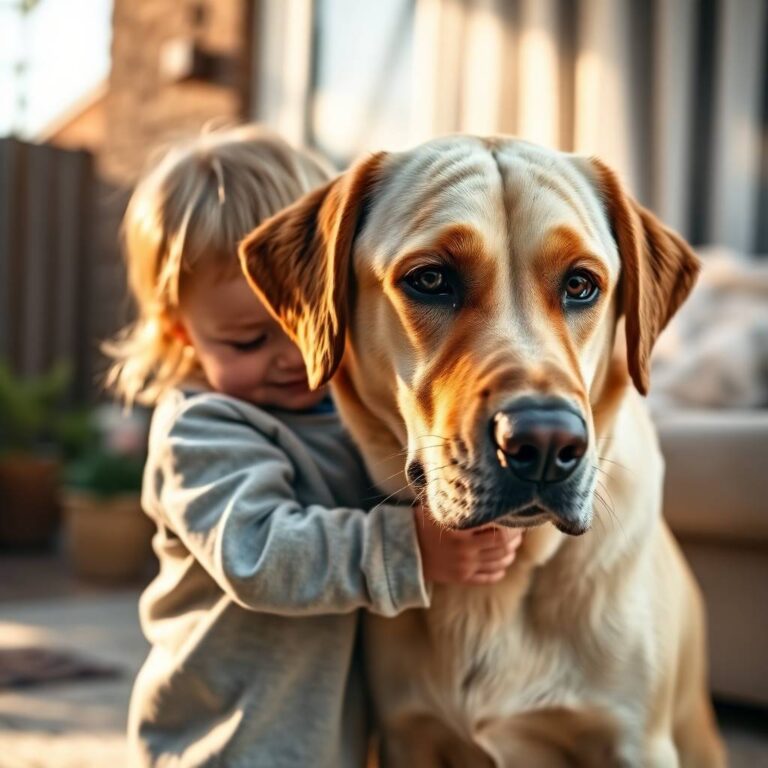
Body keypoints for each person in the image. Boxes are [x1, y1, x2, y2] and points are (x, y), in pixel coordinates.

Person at [107, 125, 523, 767]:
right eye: (247, 341)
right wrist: (410, 547)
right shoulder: (199, 430)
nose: (294, 360)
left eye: (307, 323)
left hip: (331, 741)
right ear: (181, 330)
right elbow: (257, 553)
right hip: (229, 741)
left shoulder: (344, 411)